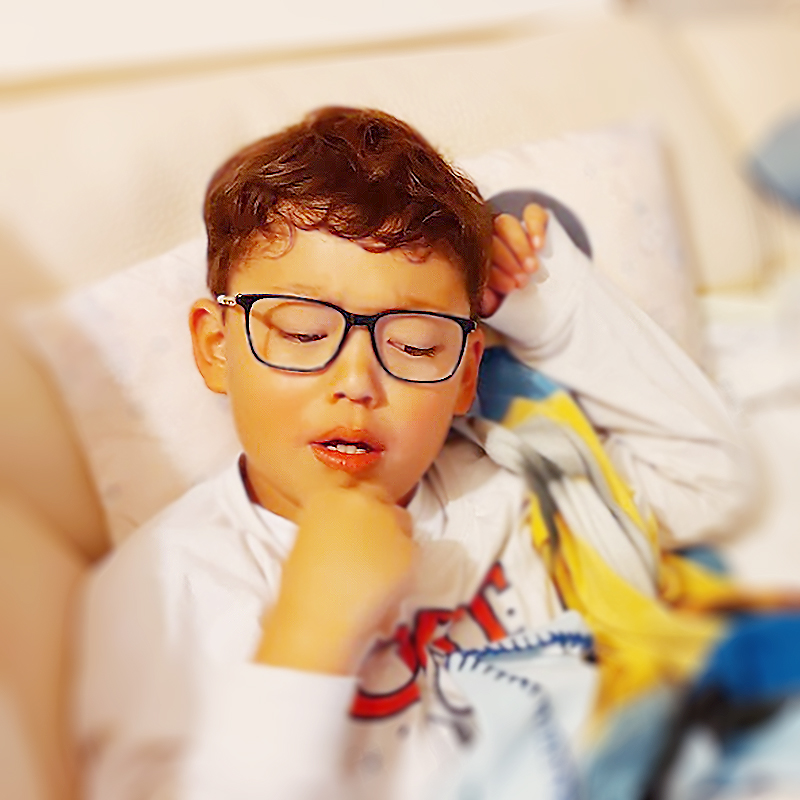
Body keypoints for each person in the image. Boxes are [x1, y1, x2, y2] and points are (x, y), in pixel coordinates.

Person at [72, 107, 751, 800]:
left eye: (415, 345)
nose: (357, 384)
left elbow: (707, 482)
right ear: (218, 346)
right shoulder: (166, 585)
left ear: (464, 374)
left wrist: (548, 305)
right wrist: (310, 637)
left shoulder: (503, 488)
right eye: (304, 333)